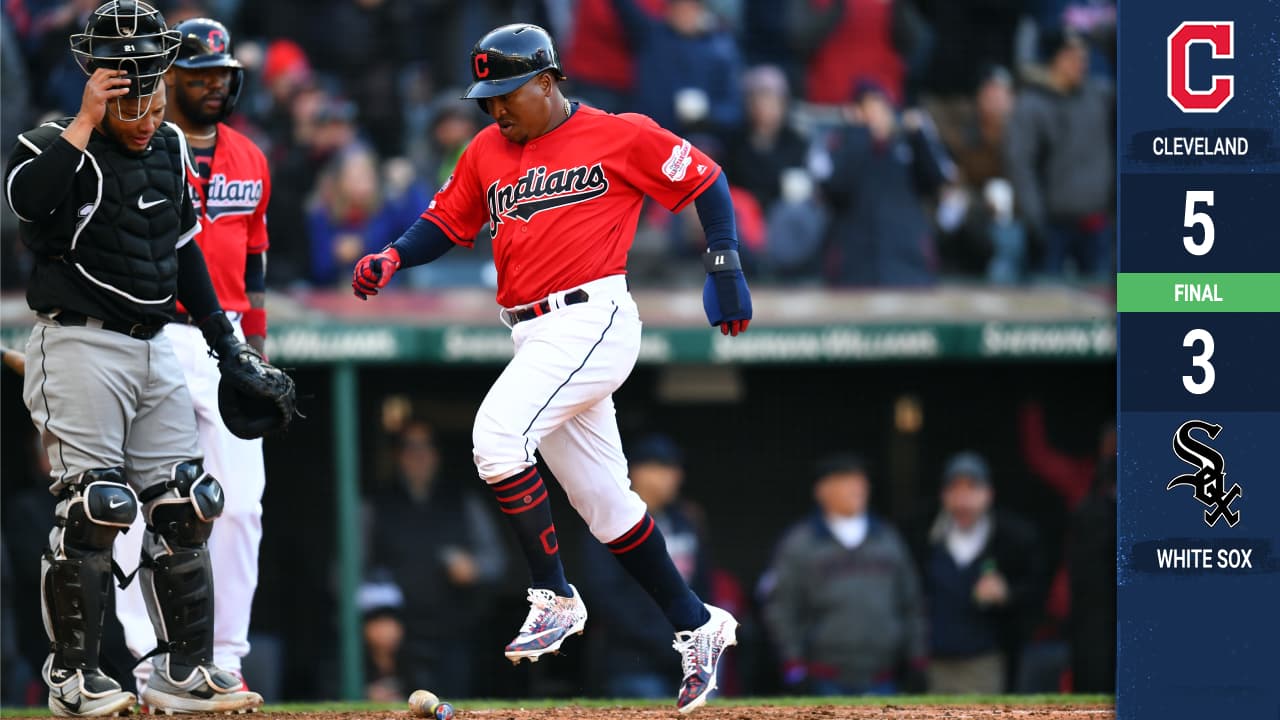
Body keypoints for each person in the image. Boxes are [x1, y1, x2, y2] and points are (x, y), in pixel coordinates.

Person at [350, 24, 752, 713]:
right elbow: (447, 221)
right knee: (606, 506)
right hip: (532, 333)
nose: (496, 109)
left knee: (497, 439)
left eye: (507, 93)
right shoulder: (486, 150)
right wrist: (394, 255)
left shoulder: (619, 133)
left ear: (548, 79)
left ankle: (554, 595)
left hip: (592, 314)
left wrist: (724, 261)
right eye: (486, 97)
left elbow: (705, 180)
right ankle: (697, 623)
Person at [4, 1, 289, 714]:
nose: (142, 101)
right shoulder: (49, 143)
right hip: (78, 338)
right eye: (126, 86)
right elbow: (28, 205)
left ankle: (182, 672)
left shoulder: (168, 148)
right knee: (95, 508)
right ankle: (72, 678)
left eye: (150, 83)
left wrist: (230, 348)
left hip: (157, 340)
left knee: (188, 507)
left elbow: (185, 250)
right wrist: (85, 119)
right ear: (97, 82)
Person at [111, 15, 273, 700]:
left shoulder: (251, 156)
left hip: (228, 337)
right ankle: (150, 656)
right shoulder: (142, 145)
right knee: (144, 505)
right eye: (200, 73)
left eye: (223, 74)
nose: (214, 84)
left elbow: (258, 259)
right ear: (168, 78)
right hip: (156, 331)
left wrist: (255, 352)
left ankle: (226, 657)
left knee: (240, 507)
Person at [359, 420, 507, 699]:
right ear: (396, 454)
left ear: (437, 454)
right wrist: (375, 616)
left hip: (454, 634)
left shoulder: (463, 502)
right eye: (409, 447)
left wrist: (474, 568)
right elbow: (350, 570)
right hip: (395, 637)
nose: (419, 455)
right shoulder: (375, 505)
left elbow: (496, 561)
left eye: (426, 447)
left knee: (455, 705)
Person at [761, 454, 927, 695]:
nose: (857, 487)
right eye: (846, 480)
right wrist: (793, 664)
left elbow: (912, 603)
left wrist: (917, 658)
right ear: (822, 490)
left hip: (883, 677)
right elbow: (781, 608)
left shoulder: (888, 539)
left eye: (861, 480)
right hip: (824, 677)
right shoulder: (800, 543)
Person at [581, 434, 713, 698]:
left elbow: (702, 584)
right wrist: (661, 638)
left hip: (688, 657)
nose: (672, 477)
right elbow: (604, 593)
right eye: (661, 468)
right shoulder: (612, 520)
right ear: (637, 471)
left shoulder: (685, 521)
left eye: (674, 469)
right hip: (634, 659)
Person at [916, 452, 1046, 694]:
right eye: (955, 489)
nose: (963, 499)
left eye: (972, 488)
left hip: (985, 663)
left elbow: (1037, 591)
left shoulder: (1013, 538)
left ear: (989, 494)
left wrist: (1007, 593)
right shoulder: (924, 535)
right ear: (943, 496)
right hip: (934, 663)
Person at [1004, 28, 1114, 278]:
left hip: (1096, 223)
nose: (1080, 63)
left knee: (1100, 301)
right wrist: (1036, 220)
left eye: (1083, 57)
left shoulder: (1098, 95)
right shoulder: (1032, 104)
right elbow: (1020, 164)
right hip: (1052, 226)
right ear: (1055, 59)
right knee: (1046, 303)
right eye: (1072, 56)